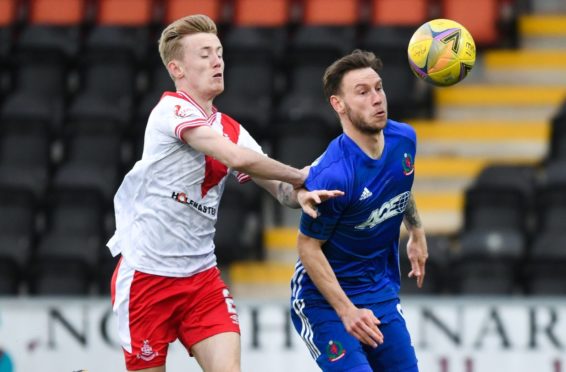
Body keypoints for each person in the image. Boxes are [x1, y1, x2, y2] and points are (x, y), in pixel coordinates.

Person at [107, 14, 342, 372]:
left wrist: (300, 195)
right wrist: (299, 175)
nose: (217, 61)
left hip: (201, 279)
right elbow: (234, 157)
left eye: (219, 52)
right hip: (146, 279)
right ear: (177, 68)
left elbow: (278, 190)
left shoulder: (232, 128)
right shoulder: (169, 112)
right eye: (204, 54)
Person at [290, 50, 429, 371]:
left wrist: (417, 232)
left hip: (379, 292)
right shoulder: (334, 175)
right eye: (363, 92)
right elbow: (307, 247)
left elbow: (401, 185)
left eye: (378, 88)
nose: (377, 99)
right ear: (338, 104)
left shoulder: (404, 139)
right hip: (322, 302)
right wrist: (346, 310)